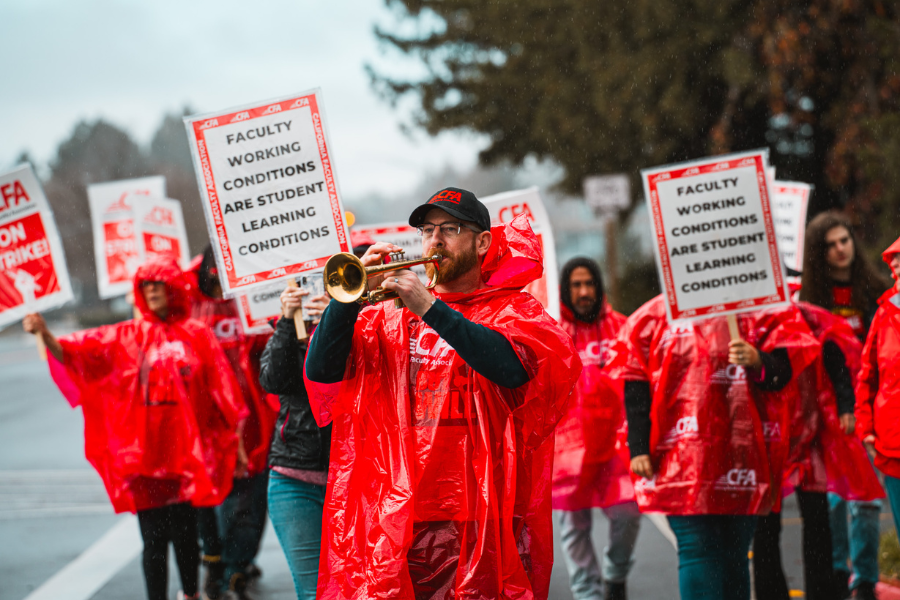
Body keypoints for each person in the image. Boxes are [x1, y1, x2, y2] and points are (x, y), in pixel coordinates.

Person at [303, 188, 581, 600]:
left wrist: (431, 308)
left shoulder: (511, 310)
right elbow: (320, 370)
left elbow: (512, 369)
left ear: (482, 241)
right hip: (397, 515)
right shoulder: (385, 316)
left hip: (477, 515)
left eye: (451, 229)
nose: (435, 240)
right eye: (428, 230)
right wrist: (348, 301)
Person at [22, 258, 244, 600]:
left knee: (186, 533)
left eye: (158, 284)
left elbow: (222, 388)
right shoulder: (128, 335)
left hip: (187, 454)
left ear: (173, 288)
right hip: (145, 456)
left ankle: (190, 594)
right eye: (145, 285)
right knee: (154, 538)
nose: (152, 290)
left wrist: (235, 441)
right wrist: (46, 333)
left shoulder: (197, 334)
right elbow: (78, 352)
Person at [615, 296, 818, 600]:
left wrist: (759, 361)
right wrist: (640, 447)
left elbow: (781, 375)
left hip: (743, 460)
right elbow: (636, 385)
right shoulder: (652, 318)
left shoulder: (762, 311)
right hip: (681, 462)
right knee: (698, 548)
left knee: (734, 553)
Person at [752, 301, 884, 600]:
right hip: (773, 438)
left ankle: (820, 591)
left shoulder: (807, 320)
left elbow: (834, 363)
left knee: (811, 522)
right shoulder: (763, 324)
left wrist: (845, 405)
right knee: (773, 526)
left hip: (803, 438)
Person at [800, 211, 892, 600]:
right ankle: (837, 576)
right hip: (830, 417)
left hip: (872, 410)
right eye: (831, 244)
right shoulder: (810, 303)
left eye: (845, 240)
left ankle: (865, 581)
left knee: (867, 502)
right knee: (836, 501)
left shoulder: (878, 292)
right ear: (818, 253)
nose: (841, 249)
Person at [187, 248, 279, 600]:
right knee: (210, 500)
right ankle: (218, 562)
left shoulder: (255, 303)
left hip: (254, 420)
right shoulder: (190, 303)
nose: (218, 283)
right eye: (212, 274)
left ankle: (235, 565)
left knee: (250, 498)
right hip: (208, 424)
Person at [553, 257, 640, 600]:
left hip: (616, 447)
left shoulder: (623, 327)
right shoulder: (553, 332)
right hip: (568, 448)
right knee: (574, 527)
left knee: (629, 515)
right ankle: (587, 593)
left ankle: (615, 574)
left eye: (589, 283)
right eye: (576, 284)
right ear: (565, 289)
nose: (584, 291)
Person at [258, 283, 332, 600]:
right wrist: (287, 319)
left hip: (351, 483)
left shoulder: (355, 322)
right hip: (294, 481)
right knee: (314, 591)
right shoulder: (286, 331)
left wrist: (338, 318)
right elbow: (273, 380)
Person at [856, 235, 900, 542]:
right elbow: (868, 375)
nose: (894, 263)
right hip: (893, 447)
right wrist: (866, 428)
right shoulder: (885, 313)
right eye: (892, 259)